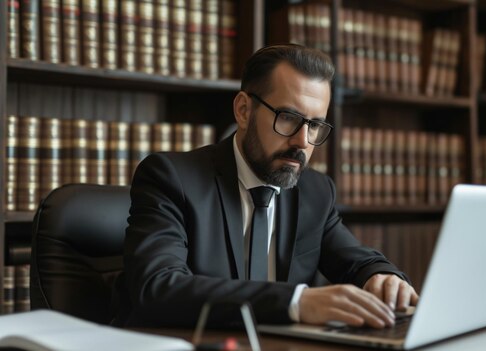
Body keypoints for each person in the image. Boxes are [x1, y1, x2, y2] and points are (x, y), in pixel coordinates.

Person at [116, 44, 417, 329]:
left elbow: (357, 260)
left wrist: (383, 276)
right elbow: (158, 288)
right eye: (288, 117)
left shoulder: (314, 191)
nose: (302, 141)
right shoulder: (172, 179)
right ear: (244, 111)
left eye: (314, 125)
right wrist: (296, 302)